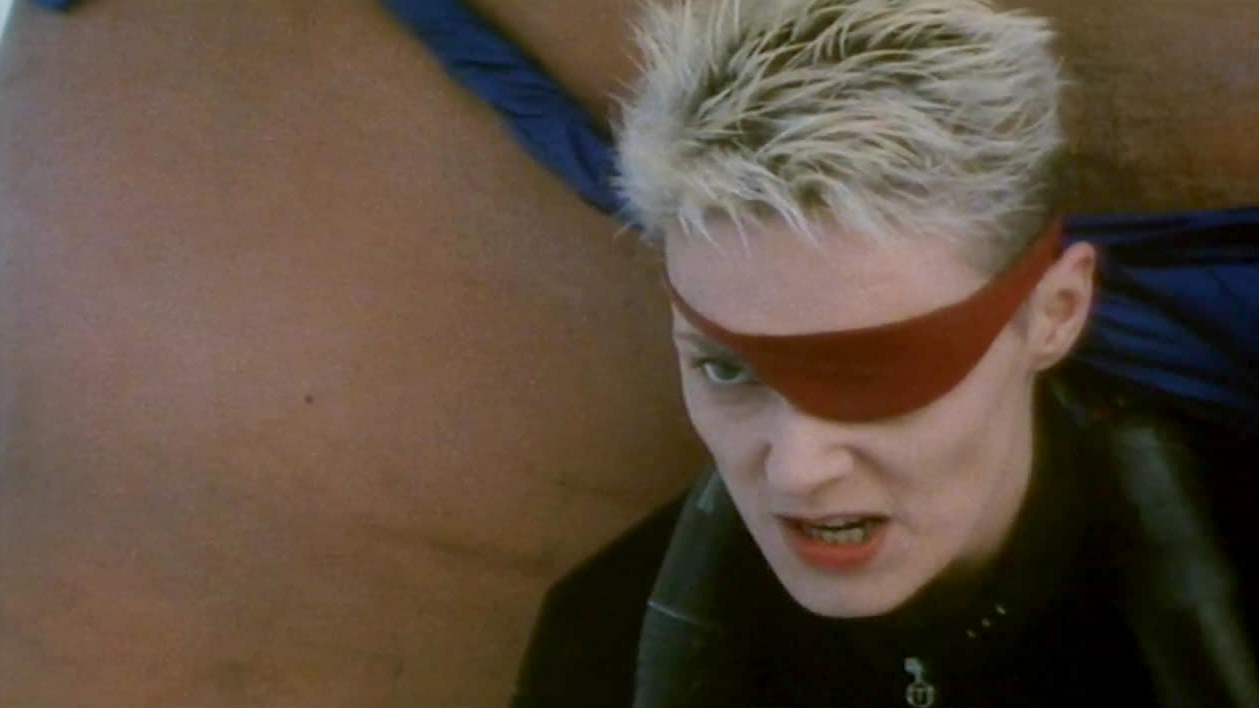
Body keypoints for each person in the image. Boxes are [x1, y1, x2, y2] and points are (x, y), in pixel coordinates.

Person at [509, 0, 1259, 706]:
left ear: (1053, 314)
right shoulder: (601, 647)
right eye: (726, 369)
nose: (796, 469)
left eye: (877, 371)